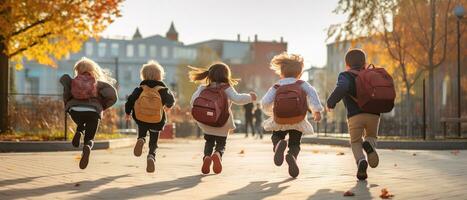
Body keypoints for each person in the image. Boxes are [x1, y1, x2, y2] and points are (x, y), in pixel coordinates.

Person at [261, 52, 323, 178]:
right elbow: (312, 94)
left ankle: (278, 144)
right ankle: (292, 156)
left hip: (280, 119)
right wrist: (316, 110)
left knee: (276, 136)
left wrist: (270, 111)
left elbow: (265, 102)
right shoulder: (302, 84)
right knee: (295, 143)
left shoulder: (277, 86)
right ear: (299, 73)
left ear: (281, 73)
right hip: (297, 119)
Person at [189, 62, 256, 175]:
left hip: (207, 123)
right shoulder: (227, 88)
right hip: (222, 122)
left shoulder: (203, 88)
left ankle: (207, 157)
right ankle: (218, 154)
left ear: (209, 75)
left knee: (209, 141)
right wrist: (250, 97)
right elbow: (238, 99)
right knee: (221, 143)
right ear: (226, 75)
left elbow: (193, 102)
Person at [326, 49, 380, 180]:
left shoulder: (345, 75)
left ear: (347, 64)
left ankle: (361, 161)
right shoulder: (372, 74)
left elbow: (342, 87)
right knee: (371, 136)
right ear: (364, 62)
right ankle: (369, 144)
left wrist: (331, 102)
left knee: (355, 141)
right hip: (374, 114)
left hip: (355, 115)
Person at [60, 57, 117, 169]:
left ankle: (79, 131)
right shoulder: (98, 83)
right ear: (93, 70)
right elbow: (113, 97)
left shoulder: (73, 82)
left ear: (78, 70)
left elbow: (66, 95)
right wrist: (102, 106)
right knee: (90, 136)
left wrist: (68, 105)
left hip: (75, 110)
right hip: (93, 112)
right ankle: (87, 146)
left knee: (81, 120)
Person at [125, 60, 175, 173]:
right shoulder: (163, 90)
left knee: (142, 130)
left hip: (141, 118)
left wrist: (127, 112)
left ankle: (141, 139)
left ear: (143, 75)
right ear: (160, 76)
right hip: (157, 120)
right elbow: (171, 100)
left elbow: (130, 100)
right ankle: (151, 156)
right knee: (153, 141)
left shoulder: (140, 89)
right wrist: (168, 106)